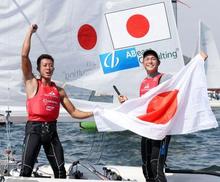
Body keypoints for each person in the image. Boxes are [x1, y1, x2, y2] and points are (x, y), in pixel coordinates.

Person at [20, 24, 93, 178]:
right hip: (34, 130)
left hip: (52, 132)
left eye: (51, 66)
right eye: (45, 65)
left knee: (60, 172)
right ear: (39, 69)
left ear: (53, 69)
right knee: (25, 171)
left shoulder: (58, 91)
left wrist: (95, 113)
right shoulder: (32, 83)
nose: (48, 68)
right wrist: (30, 33)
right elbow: (24, 56)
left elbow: (74, 112)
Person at [118, 49, 172, 182]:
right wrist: (127, 102)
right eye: (147, 59)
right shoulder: (143, 83)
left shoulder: (165, 78)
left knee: (156, 165)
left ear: (158, 62)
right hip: (146, 128)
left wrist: (197, 62)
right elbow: (143, 106)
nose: (150, 61)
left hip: (160, 129)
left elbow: (182, 82)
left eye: (153, 58)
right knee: (146, 167)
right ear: (143, 63)